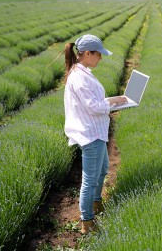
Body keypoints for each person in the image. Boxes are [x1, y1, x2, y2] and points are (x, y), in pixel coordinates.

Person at [63, 34, 127, 234]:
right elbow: (94, 107)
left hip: (96, 131)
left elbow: (95, 101)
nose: (100, 58)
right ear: (87, 53)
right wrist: (112, 104)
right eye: (98, 54)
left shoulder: (83, 72)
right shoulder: (79, 77)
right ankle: (87, 222)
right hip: (90, 134)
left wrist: (116, 99)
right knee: (90, 179)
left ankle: (97, 203)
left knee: (103, 169)